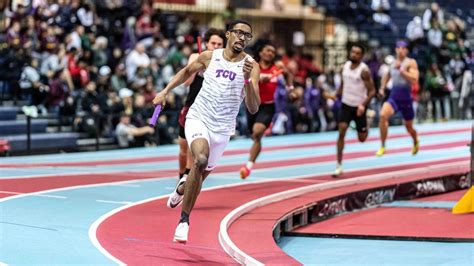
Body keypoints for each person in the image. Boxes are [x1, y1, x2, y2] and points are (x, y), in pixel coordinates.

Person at [152, 20, 260, 243]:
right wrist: (164, 92)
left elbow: (253, 107)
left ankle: (181, 190)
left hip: (223, 130)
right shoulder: (211, 57)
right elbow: (185, 72)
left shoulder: (251, 65)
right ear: (228, 34)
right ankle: (184, 221)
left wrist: (248, 79)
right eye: (238, 33)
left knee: (199, 176)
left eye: (247, 35)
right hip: (199, 117)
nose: (242, 37)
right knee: (199, 160)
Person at [175, 28, 225, 189]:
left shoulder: (225, 63)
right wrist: (195, 66)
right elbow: (186, 82)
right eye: (213, 43)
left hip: (208, 111)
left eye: (219, 44)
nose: (215, 46)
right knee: (183, 149)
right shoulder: (196, 57)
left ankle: (188, 179)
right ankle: (181, 176)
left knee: (193, 147)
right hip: (190, 106)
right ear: (206, 43)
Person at [240, 43, 293, 179]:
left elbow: (288, 75)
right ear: (261, 52)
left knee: (257, 133)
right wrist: (257, 79)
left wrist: (290, 89)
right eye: (268, 50)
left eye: (273, 51)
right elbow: (243, 79)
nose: (271, 53)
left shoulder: (278, 67)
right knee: (253, 135)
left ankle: (248, 167)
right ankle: (251, 160)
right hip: (252, 104)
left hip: (268, 106)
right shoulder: (253, 65)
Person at [333, 44, 376, 177]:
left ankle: (367, 122)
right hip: (346, 104)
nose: (354, 55)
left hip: (359, 107)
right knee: (342, 131)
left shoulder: (364, 71)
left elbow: (372, 91)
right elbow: (343, 84)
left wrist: (363, 105)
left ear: (361, 56)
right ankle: (339, 165)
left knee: (362, 139)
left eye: (357, 53)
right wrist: (336, 94)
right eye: (353, 52)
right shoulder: (344, 67)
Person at [376, 40, 420, 157]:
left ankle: (415, 140)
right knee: (383, 115)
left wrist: (402, 71)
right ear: (396, 49)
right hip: (394, 98)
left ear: (407, 50)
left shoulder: (411, 62)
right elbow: (387, 76)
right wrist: (382, 88)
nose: (401, 50)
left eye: (404, 48)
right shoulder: (392, 63)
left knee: (409, 127)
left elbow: (415, 79)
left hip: (406, 100)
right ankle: (383, 145)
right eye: (399, 48)